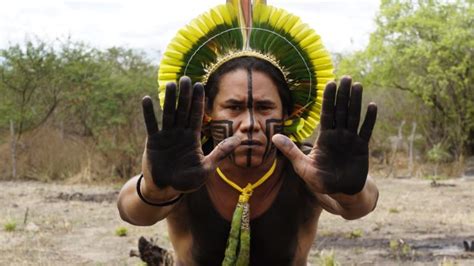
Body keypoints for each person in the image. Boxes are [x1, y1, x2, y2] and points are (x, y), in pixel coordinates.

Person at [117, 1, 378, 265]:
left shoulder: (307, 167)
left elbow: (359, 206)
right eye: (234, 107)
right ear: (206, 113)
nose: (251, 123)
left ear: (287, 114)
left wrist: (348, 190)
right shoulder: (186, 167)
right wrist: (154, 190)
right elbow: (133, 212)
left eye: (265, 107)